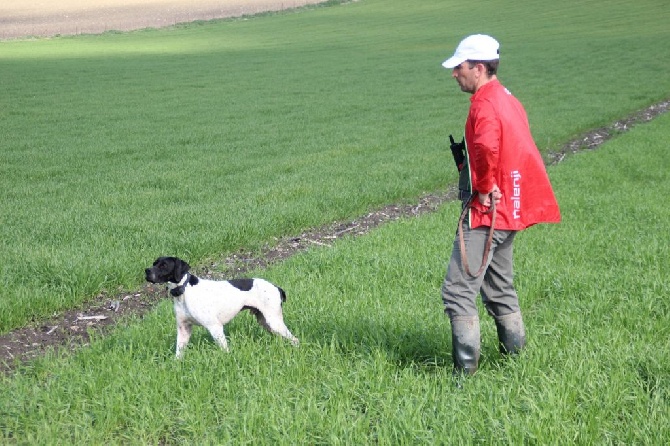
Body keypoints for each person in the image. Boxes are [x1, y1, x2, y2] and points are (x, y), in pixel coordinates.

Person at [440, 34, 561, 375]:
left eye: (459, 67)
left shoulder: (485, 104)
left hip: (488, 211)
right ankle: (516, 363)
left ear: (478, 68)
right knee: (498, 286)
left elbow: (487, 147)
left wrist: (482, 188)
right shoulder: (507, 97)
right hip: (510, 208)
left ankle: (464, 376)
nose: (454, 74)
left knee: (457, 291)